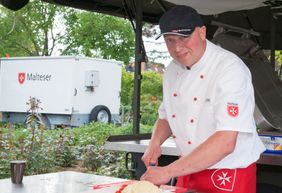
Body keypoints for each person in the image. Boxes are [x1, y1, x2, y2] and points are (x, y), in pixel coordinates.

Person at [141, 5, 266, 193]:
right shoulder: (172, 70)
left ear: (202, 32)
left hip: (228, 173)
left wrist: (168, 171)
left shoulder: (229, 69)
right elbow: (166, 116)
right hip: (187, 168)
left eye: (184, 38)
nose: (177, 47)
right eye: (170, 40)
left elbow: (226, 142)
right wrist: (154, 143)